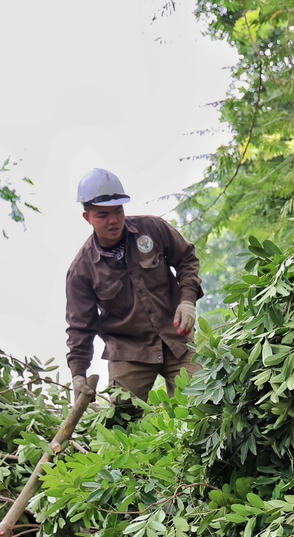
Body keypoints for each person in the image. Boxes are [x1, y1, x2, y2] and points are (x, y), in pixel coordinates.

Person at [65, 167, 203, 403]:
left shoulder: (153, 229)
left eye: (118, 211)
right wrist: (78, 374)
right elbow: (80, 327)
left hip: (176, 337)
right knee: (122, 422)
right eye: (102, 215)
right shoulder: (82, 270)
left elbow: (187, 259)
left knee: (203, 405)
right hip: (128, 352)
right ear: (87, 218)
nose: (113, 220)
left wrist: (187, 300)